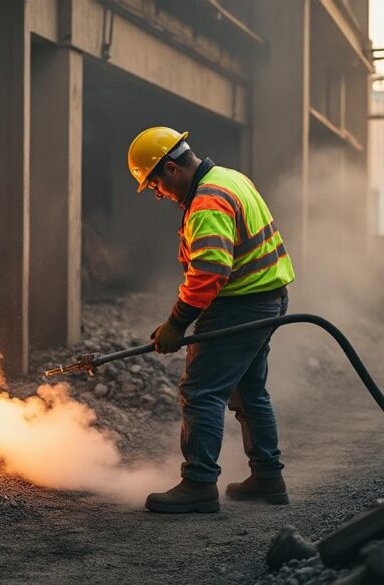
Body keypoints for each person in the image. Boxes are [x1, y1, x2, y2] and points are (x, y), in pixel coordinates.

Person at [126, 126, 295, 513]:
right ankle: (268, 477)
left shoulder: (207, 201)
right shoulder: (229, 178)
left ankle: (199, 484)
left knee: (201, 391)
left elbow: (209, 272)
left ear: (171, 169)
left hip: (241, 305)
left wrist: (176, 323)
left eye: (155, 184)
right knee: (249, 391)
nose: (158, 194)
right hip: (267, 297)